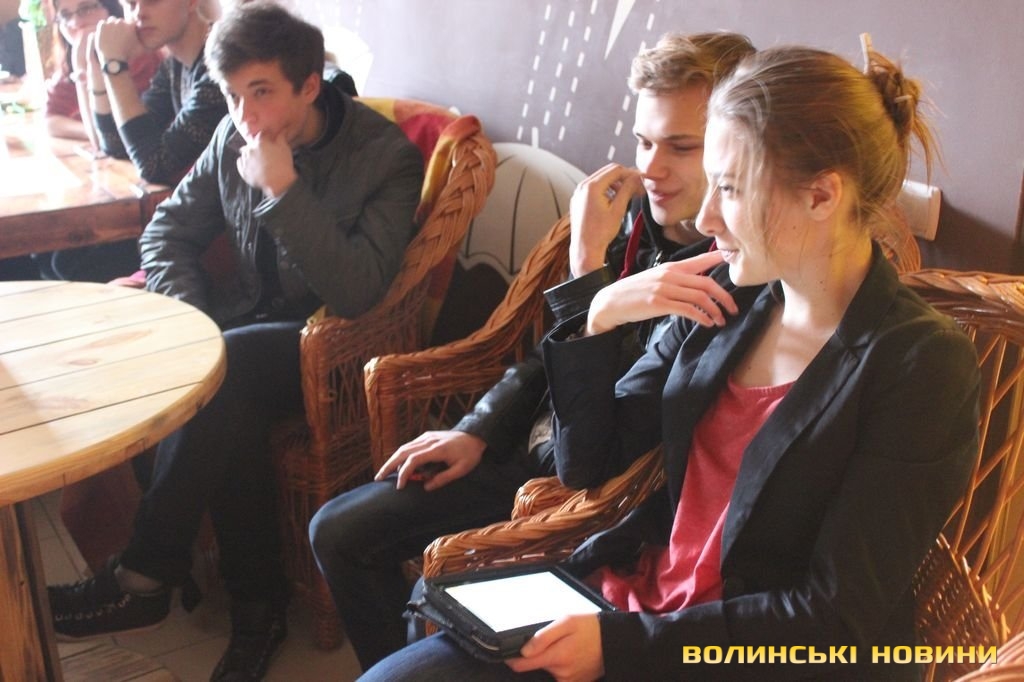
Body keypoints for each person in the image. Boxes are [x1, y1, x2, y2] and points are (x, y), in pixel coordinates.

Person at [359, 40, 981, 682]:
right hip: (632, 600)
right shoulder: (728, 296)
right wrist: (597, 313)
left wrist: (622, 647)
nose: (707, 217)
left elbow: (834, 619)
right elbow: (588, 464)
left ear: (821, 196)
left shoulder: (920, 364)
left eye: (730, 189)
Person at [308, 31, 756, 672]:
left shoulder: (725, 275)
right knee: (335, 529)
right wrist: (479, 428)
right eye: (643, 142)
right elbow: (544, 351)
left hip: (580, 487)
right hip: (532, 444)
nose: (651, 168)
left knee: (386, 570)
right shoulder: (637, 222)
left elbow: (605, 449)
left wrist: (585, 266)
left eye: (681, 147)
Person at [46, 4, 424, 681]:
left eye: (261, 92)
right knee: (229, 394)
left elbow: (359, 293)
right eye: (230, 94)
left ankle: (145, 573)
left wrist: (283, 189)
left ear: (309, 86)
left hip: (336, 351)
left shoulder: (384, 157)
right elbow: (167, 232)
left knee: (229, 367)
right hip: (243, 339)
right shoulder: (232, 134)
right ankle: (258, 610)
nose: (244, 114)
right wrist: (194, 321)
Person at [44, 0, 161, 147]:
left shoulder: (143, 59)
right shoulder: (68, 66)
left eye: (86, 9)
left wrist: (83, 63)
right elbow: (51, 120)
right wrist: (88, 131)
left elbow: (117, 138)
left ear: (111, 9)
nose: (75, 22)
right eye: (65, 16)